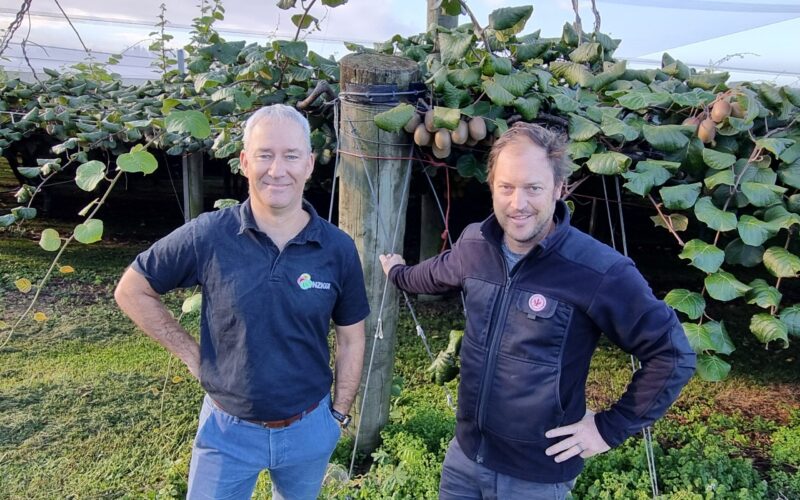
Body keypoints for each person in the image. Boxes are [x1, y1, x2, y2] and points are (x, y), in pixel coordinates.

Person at [379, 122, 696, 499]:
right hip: (464, 459)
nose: (518, 204)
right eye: (506, 187)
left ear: (559, 188)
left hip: (536, 478)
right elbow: (433, 274)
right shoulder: (475, 245)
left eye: (533, 188)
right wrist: (398, 273)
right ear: (492, 186)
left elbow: (671, 354)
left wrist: (609, 428)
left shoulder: (598, 270)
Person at [115, 104, 369, 499]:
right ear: (245, 162)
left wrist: (338, 414)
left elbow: (352, 337)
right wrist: (192, 356)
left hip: (309, 427)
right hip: (226, 431)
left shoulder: (337, 248)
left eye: (290, 156)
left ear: (309, 164)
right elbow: (132, 289)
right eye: (265, 155)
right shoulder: (210, 235)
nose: (277, 169)